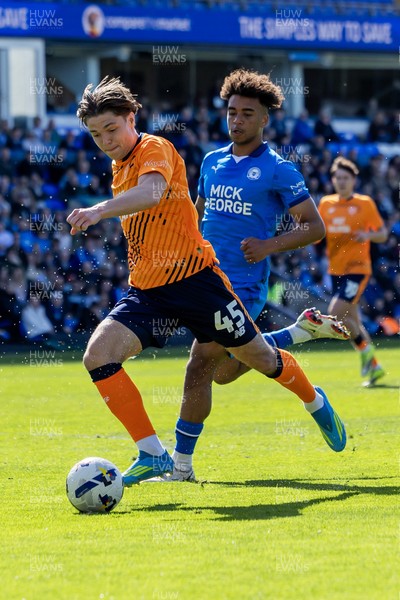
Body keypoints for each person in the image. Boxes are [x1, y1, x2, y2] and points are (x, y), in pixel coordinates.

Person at [67, 76, 346, 488]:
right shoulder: (190, 162)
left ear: (132, 118)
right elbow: (187, 212)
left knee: (239, 366)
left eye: (111, 129)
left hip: (201, 283)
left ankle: (314, 399)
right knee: (99, 356)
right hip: (149, 289)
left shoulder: (155, 148)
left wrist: (98, 210)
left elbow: (153, 192)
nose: (105, 140)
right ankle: (154, 455)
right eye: (95, 134)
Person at [169, 69, 349, 482]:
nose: (236, 120)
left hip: (244, 286)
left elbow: (315, 227)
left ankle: (180, 467)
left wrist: (269, 245)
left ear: (264, 119)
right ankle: (302, 348)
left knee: (199, 366)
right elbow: (198, 216)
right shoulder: (212, 161)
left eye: (247, 113)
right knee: (225, 373)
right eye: (231, 112)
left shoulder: (278, 169)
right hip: (203, 281)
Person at [318, 156, 388, 385]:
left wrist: (367, 235)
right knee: (350, 322)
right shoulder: (326, 204)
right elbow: (318, 234)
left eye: (345, 178)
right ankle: (373, 364)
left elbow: (383, 234)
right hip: (335, 270)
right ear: (332, 180)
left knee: (335, 312)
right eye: (337, 178)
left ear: (354, 180)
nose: (341, 181)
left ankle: (300, 341)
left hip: (358, 268)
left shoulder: (364, 203)